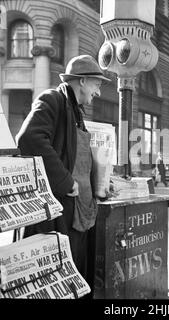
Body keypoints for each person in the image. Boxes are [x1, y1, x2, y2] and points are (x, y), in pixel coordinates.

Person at [16, 55, 111, 279]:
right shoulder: (53, 99)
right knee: (59, 276)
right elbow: (29, 138)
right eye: (96, 85)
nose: (97, 92)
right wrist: (65, 181)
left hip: (79, 215)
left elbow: (78, 158)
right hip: (61, 213)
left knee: (76, 275)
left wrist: (101, 182)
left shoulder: (76, 112)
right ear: (82, 81)